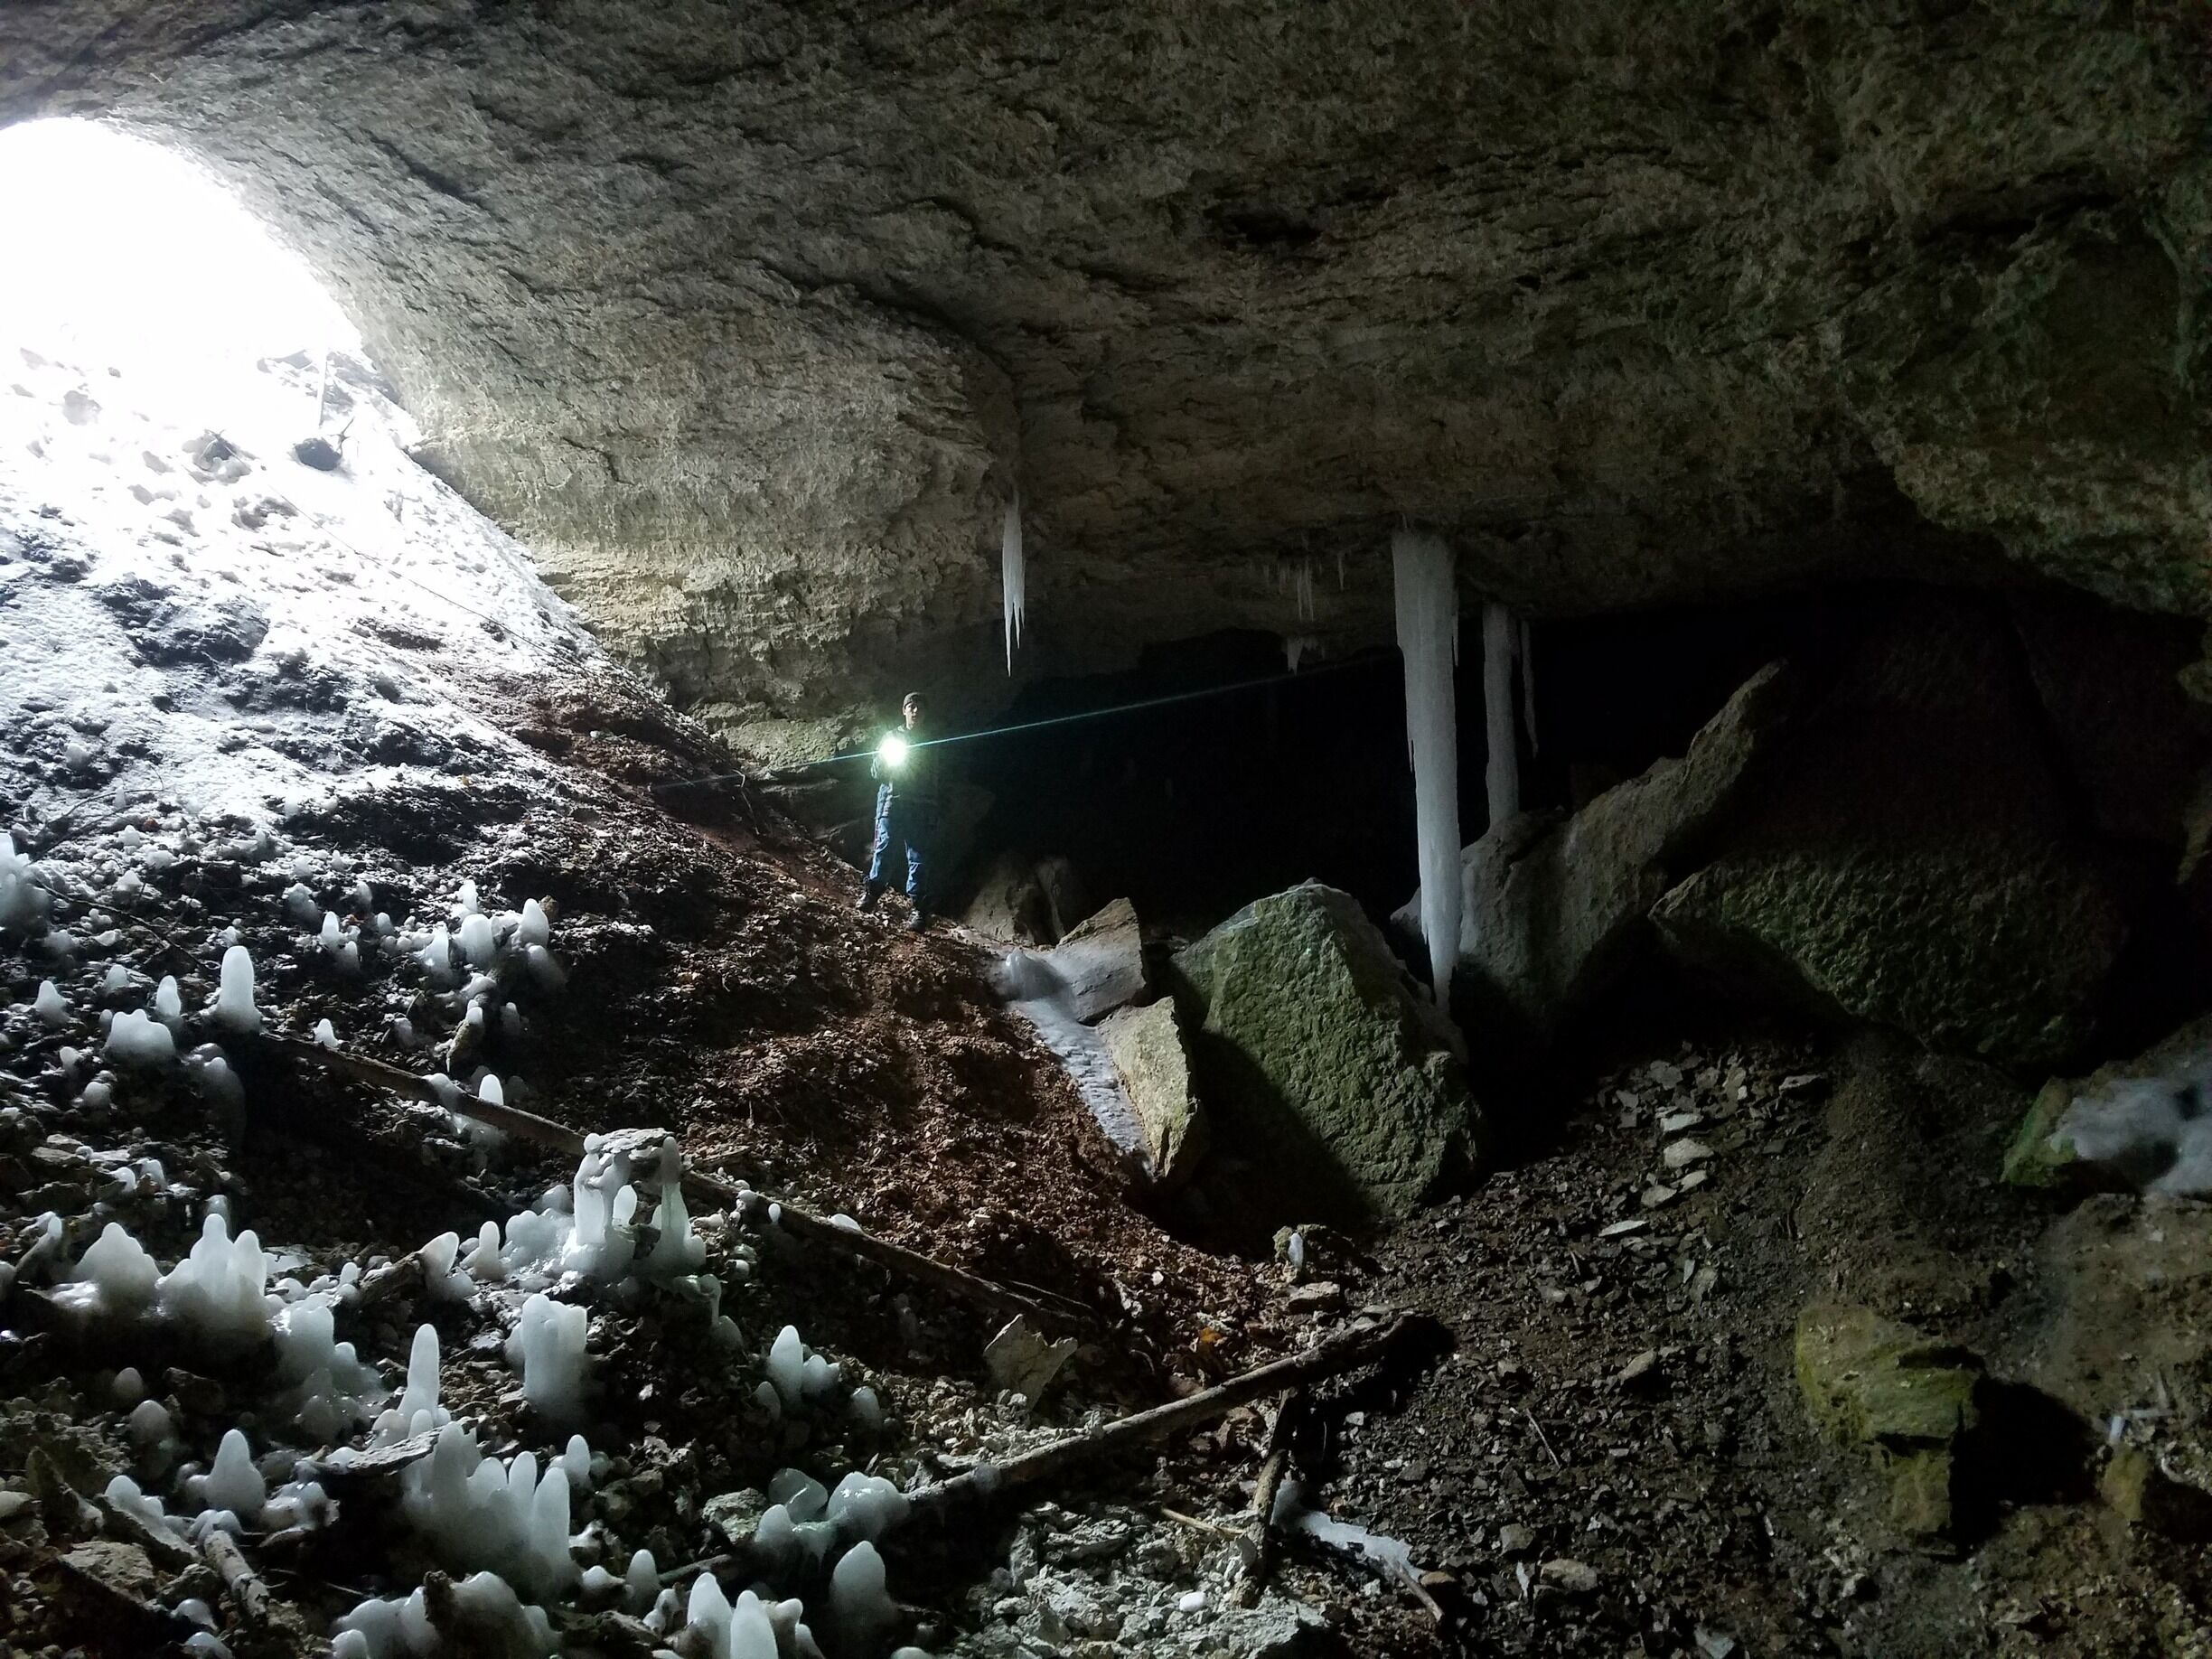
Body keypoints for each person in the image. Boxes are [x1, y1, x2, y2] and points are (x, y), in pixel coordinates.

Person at [859, 691, 938, 931]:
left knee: (918, 858)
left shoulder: (931, 742)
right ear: (903, 710)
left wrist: (934, 808)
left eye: (920, 707)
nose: (915, 711)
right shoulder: (892, 737)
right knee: (884, 849)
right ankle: (871, 896)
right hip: (892, 804)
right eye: (911, 706)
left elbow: (935, 778)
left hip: (921, 807)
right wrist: (886, 761)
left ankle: (919, 912)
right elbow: (877, 773)